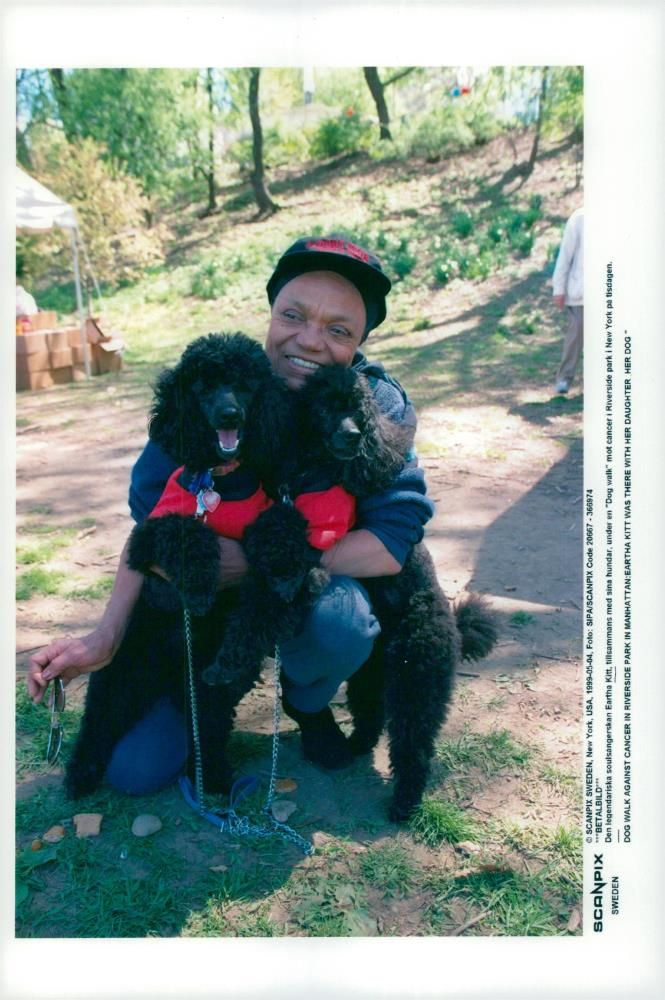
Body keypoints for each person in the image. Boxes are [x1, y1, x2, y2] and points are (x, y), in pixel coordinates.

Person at [27, 236, 435, 792]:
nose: (310, 340)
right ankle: (205, 694)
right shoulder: (214, 387)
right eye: (294, 315)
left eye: (338, 329)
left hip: (312, 586)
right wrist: (106, 634)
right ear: (271, 316)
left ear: (359, 342)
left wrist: (258, 561)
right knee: (133, 770)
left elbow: (392, 543)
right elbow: (149, 527)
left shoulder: (373, 403)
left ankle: (308, 704)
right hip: (211, 600)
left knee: (338, 621)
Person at [551, 206, 584, 394]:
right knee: (576, 333)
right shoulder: (579, 218)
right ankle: (564, 378)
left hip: (608, 293)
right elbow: (565, 255)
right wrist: (559, 288)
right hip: (579, 292)